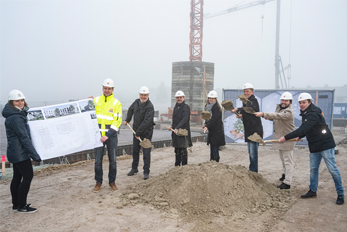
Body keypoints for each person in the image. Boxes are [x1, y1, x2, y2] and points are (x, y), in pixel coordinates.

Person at [279, 93, 344, 205]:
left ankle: (340, 194)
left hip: (325, 145)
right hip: (314, 145)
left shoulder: (313, 114)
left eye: (304, 102)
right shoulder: (306, 113)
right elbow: (309, 129)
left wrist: (285, 137)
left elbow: (303, 129)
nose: (301, 105)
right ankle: (313, 191)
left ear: (309, 102)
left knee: (332, 169)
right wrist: (300, 136)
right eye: (300, 103)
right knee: (313, 169)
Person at [2, 89, 42, 213]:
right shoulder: (16, 117)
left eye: (22, 100)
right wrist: (35, 155)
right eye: (17, 101)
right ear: (11, 102)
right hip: (20, 153)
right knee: (28, 176)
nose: (20, 103)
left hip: (14, 152)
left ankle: (16, 204)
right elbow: (24, 138)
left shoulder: (16, 115)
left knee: (17, 177)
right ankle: (22, 206)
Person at [256, 92, 295, 189]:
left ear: (290, 102)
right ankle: (285, 175)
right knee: (283, 159)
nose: (283, 102)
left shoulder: (288, 112)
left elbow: (279, 116)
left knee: (288, 161)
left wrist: (263, 113)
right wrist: (269, 118)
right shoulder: (280, 109)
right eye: (282, 100)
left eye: (286, 100)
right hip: (281, 139)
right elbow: (277, 118)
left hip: (288, 139)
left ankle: (287, 182)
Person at [93, 78, 122, 192]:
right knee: (98, 161)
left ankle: (112, 182)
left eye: (109, 88)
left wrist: (108, 135)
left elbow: (117, 121)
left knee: (113, 161)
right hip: (98, 136)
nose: (107, 90)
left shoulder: (116, 103)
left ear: (113, 89)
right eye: (105, 88)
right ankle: (98, 182)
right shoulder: (95, 101)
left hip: (111, 136)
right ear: (102, 88)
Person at [231, 83, 263, 172]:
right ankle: (251, 170)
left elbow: (250, 109)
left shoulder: (253, 101)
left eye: (247, 91)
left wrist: (238, 109)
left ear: (252, 92)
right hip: (249, 130)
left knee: (253, 153)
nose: (245, 93)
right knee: (250, 152)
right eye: (244, 91)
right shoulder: (246, 101)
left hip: (255, 131)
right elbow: (249, 114)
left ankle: (254, 171)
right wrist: (241, 115)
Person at [124, 86, 155, 180]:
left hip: (146, 133)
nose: (143, 96)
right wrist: (127, 120)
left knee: (146, 153)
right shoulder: (136, 102)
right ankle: (134, 168)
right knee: (135, 151)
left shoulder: (150, 106)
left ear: (148, 95)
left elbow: (147, 122)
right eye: (142, 94)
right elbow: (130, 110)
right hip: (136, 131)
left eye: (145, 95)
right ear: (139, 94)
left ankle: (146, 172)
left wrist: (138, 133)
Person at [168, 90, 192, 166]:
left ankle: (184, 167)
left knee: (183, 150)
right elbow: (175, 120)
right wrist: (172, 126)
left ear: (183, 98)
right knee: (177, 150)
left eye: (180, 97)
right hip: (176, 132)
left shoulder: (186, 107)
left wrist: (177, 127)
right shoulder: (176, 107)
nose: (179, 99)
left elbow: (184, 119)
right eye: (177, 97)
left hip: (183, 132)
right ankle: (177, 166)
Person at [203, 90, 225, 162]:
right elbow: (207, 117)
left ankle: (216, 162)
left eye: (212, 98)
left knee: (215, 148)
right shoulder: (208, 107)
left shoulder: (217, 108)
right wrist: (205, 124)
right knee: (212, 148)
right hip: (212, 131)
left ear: (215, 99)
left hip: (217, 131)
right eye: (209, 98)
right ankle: (212, 162)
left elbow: (213, 119)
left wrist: (207, 126)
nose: (211, 100)